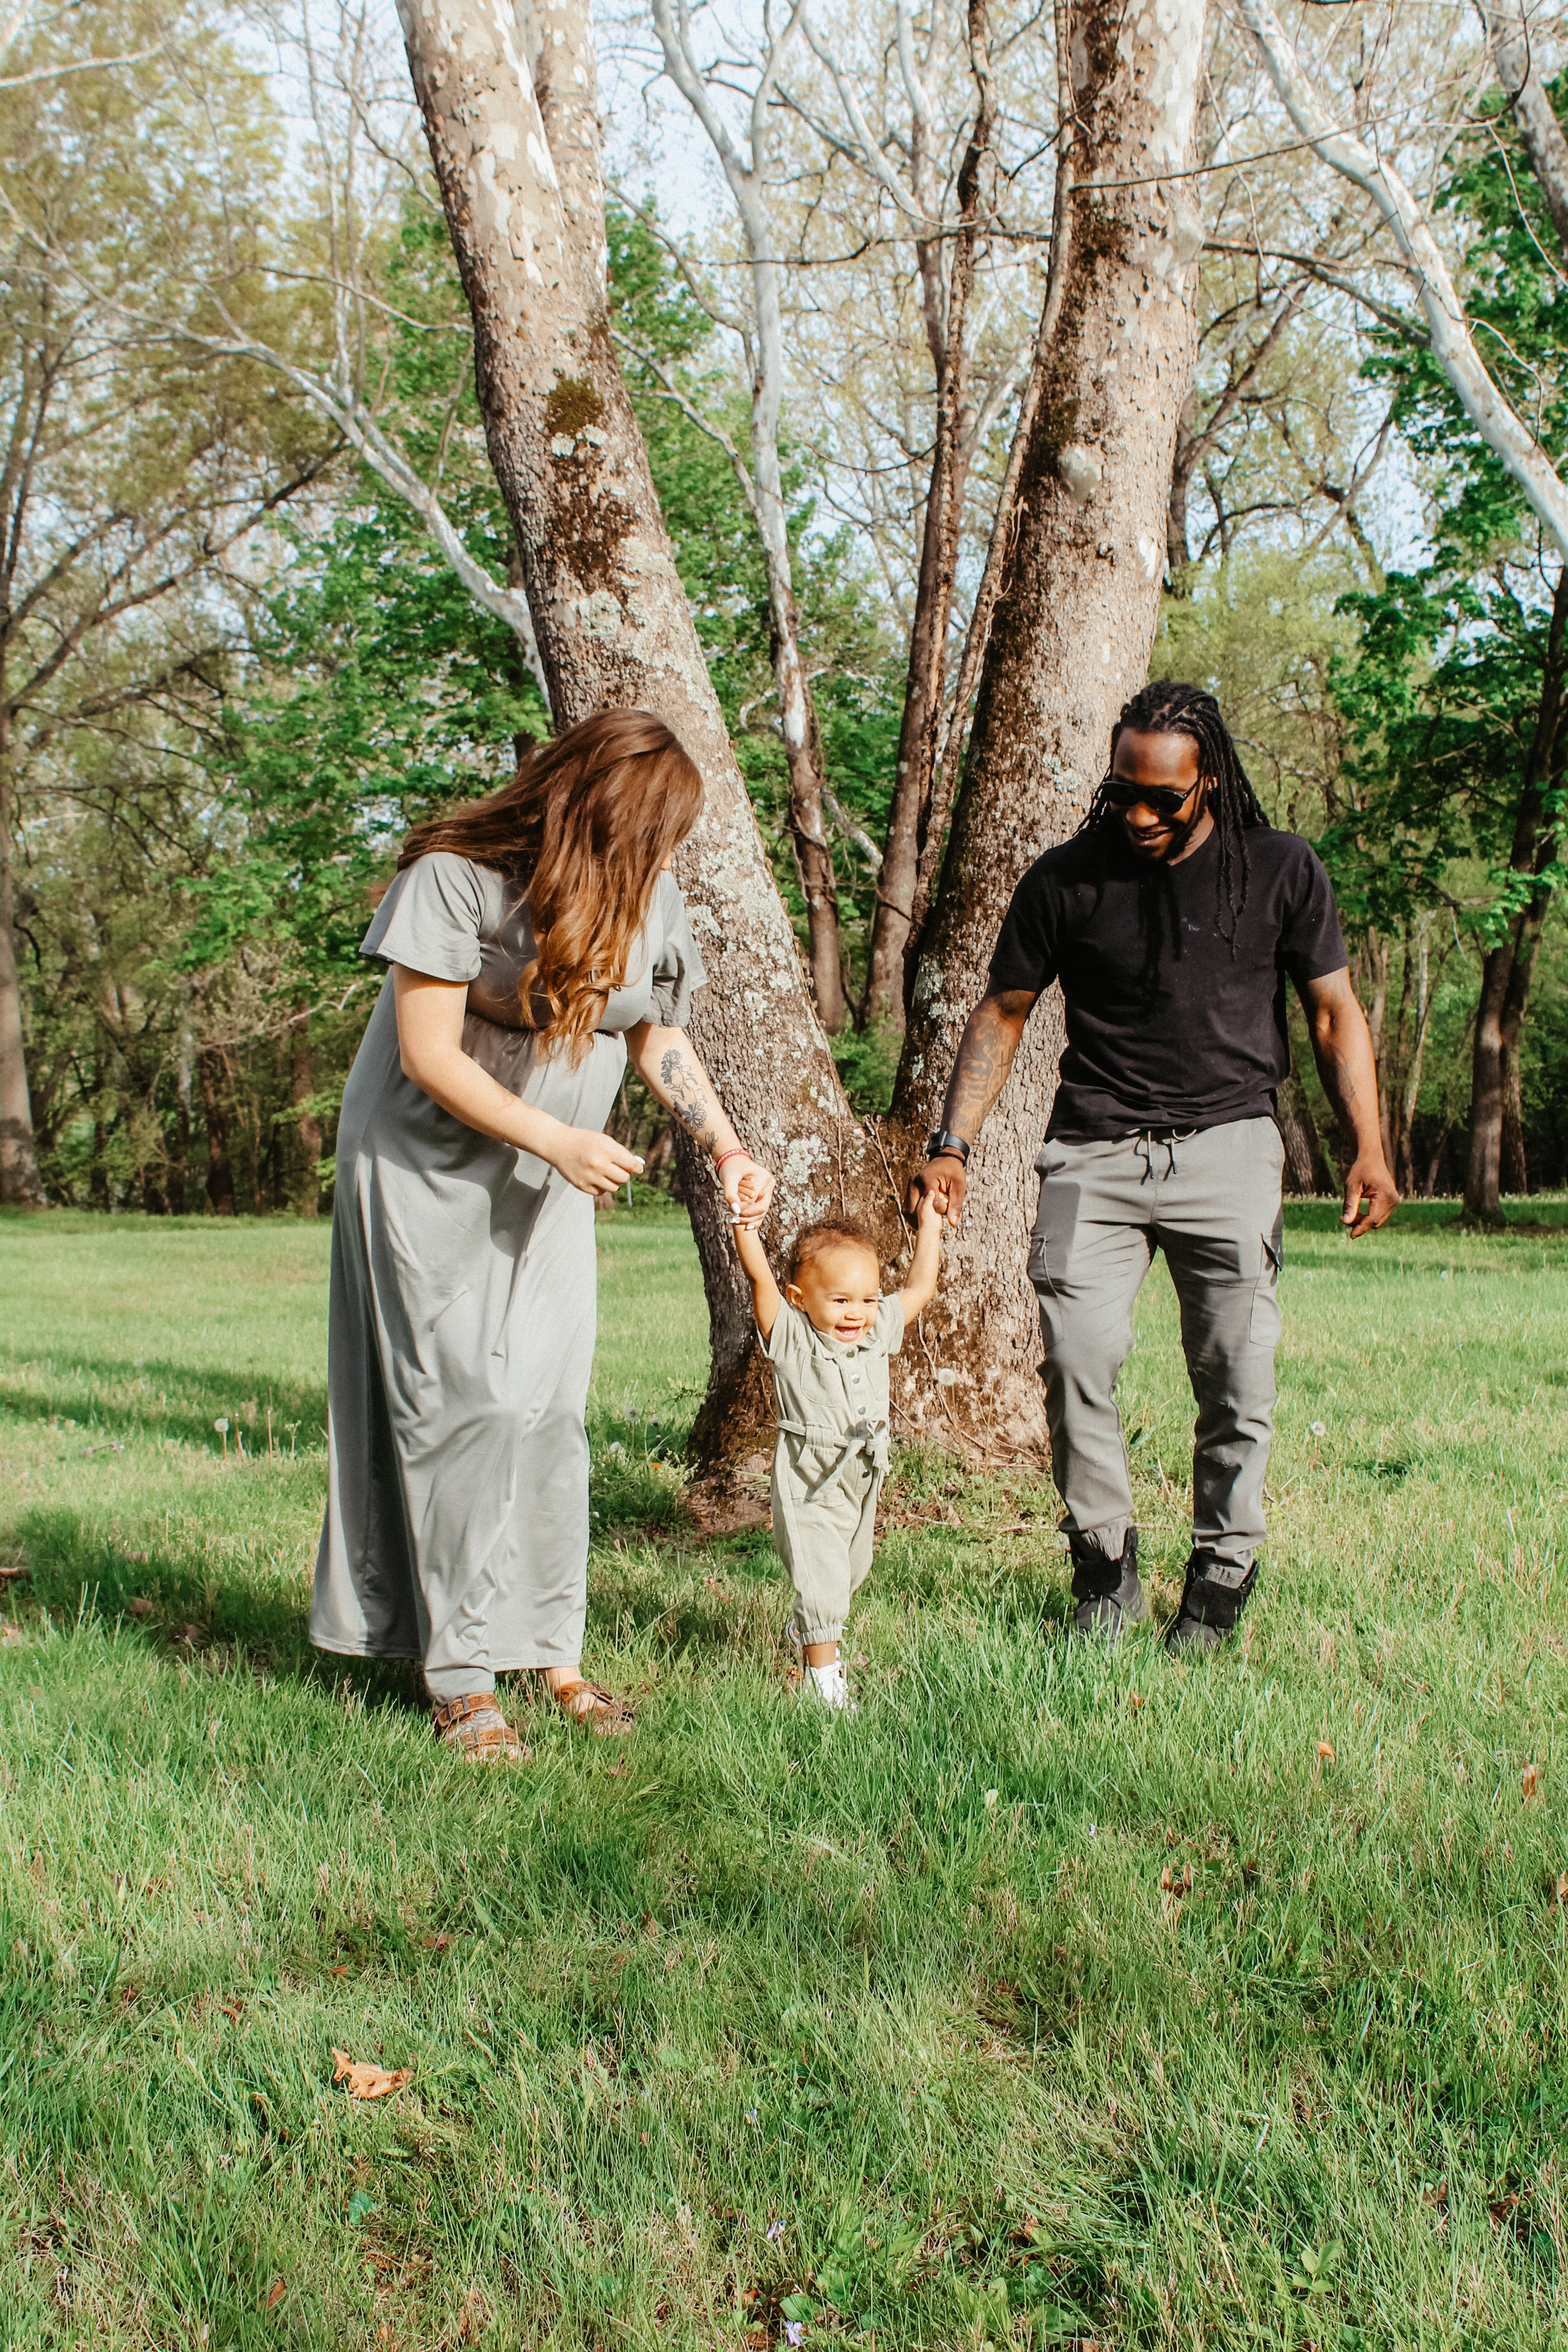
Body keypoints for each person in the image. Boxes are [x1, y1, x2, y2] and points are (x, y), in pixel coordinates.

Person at [311, 710, 774, 1758]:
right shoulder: (453, 878)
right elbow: (427, 1053)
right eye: (643, 832)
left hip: (553, 1173)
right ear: (580, 803)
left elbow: (658, 1039)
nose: (656, 857)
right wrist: (557, 1137)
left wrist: (728, 1150)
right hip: (426, 1167)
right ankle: (460, 1675)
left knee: (548, 1412)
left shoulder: (646, 894)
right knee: (462, 1403)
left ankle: (549, 1648)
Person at [906, 680, 1396, 1651]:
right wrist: (952, 1144)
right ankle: (1103, 1570)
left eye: (1162, 798)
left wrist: (1369, 1148)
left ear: (1207, 777)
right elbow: (1003, 1012)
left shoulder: (1280, 869)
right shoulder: (1067, 879)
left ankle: (1220, 1574)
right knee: (1076, 1357)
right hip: (1094, 1145)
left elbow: (1335, 1013)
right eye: (1124, 790)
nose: (1137, 815)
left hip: (1230, 1146)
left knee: (1234, 1375)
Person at [732, 1200, 943, 1708]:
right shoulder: (793, 1337)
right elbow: (760, 1277)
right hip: (811, 1477)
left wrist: (931, 1225)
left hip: (864, 1475)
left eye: (868, 1299)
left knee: (851, 1570)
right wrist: (746, 1226)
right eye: (842, 1300)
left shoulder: (876, 1332)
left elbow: (919, 1288)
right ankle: (823, 1684)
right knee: (824, 1580)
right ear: (800, 1298)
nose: (857, 1313)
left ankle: (810, 1629)